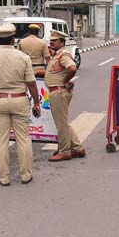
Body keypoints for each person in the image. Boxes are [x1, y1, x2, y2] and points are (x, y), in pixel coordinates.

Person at [0, 23, 41, 186]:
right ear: (13, 39)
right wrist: (37, 103)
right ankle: (26, 174)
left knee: (1, 140)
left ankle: (4, 177)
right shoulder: (23, 57)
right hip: (20, 100)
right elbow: (31, 83)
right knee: (24, 138)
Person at [45, 30, 86, 161]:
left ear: (62, 42)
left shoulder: (63, 55)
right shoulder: (56, 56)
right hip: (57, 91)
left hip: (59, 92)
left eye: (55, 41)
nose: (51, 43)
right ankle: (78, 148)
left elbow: (72, 68)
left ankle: (64, 151)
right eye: (50, 41)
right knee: (63, 122)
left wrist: (65, 81)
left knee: (61, 124)